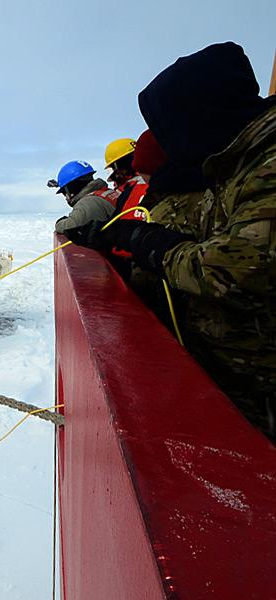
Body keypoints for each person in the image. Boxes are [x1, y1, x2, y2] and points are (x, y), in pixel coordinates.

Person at [86, 42, 276, 439]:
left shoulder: (265, 166)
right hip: (232, 382)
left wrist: (153, 246)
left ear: (202, 116)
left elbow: (237, 271)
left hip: (260, 393)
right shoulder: (234, 167)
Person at [49, 160, 122, 243]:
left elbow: (69, 226)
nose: (66, 197)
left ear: (71, 188)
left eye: (64, 192)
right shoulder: (106, 192)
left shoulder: (88, 203)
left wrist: (59, 222)